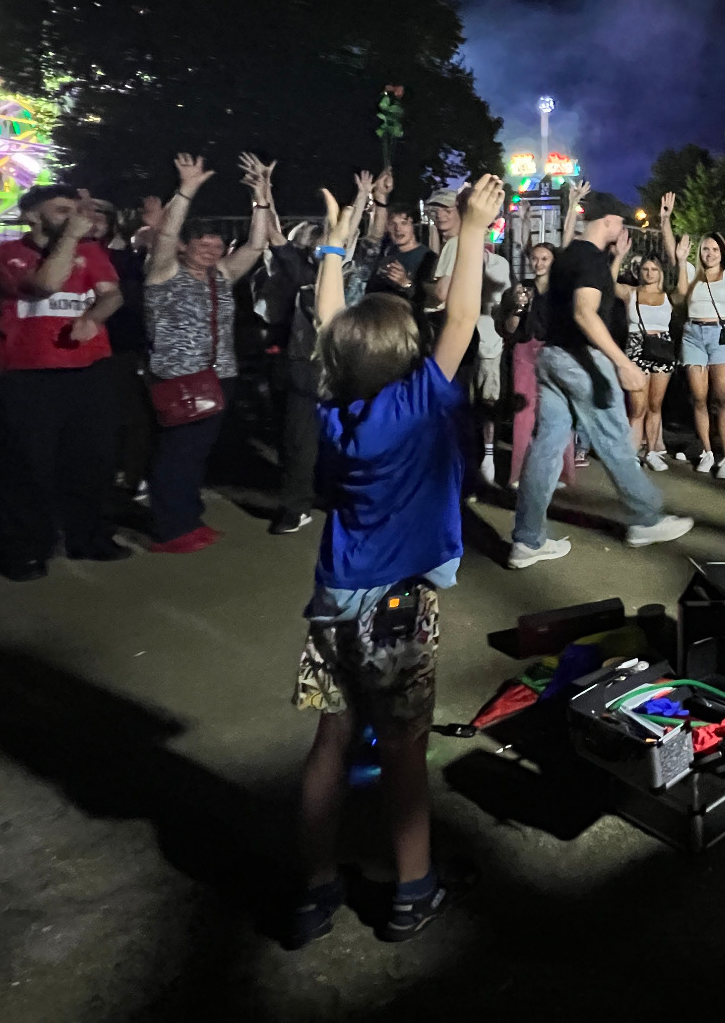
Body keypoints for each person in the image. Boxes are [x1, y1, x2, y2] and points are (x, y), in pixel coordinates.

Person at [288, 172, 498, 948]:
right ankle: (414, 888)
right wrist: (472, 229)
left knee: (332, 741)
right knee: (405, 752)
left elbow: (328, 327)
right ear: (407, 355)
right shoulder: (418, 404)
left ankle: (314, 890)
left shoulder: (336, 411)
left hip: (335, 600)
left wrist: (335, 245)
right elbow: (464, 316)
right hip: (399, 606)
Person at [510, 189, 693, 559]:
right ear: (608, 222)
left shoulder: (566, 257)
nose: (622, 228)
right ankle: (647, 519)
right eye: (619, 222)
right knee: (614, 439)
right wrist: (623, 363)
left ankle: (527, 539)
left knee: (546, 448)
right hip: (582, 360)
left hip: (552, 356)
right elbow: (584, 313)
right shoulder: (591, 260)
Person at [0, 185, 126, 579]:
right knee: (30, 465)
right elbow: (47, 284)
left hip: (88, 369)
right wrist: (71, 237)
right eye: (62, 209)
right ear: (32, 215)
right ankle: (27, 548)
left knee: (93, 459)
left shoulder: (91, 251)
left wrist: (93, 317)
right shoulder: (8, 254)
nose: (74, 216)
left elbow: (112, 295)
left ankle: (89, 537)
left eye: (75, 209)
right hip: (29, 373)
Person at [140, 152, 272, 553]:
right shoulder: (164, 272)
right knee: (176, 453)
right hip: (179, 378)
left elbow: (256, 244)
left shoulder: (222, 275)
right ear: (185, 246)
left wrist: (261, 198)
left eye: (217, 244)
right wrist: (186, 191)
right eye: (203, 243)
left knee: (197, 454)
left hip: (218, 377)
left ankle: (188, 517)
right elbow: (165, 236)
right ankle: (170, 528)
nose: (211, 250)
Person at [269, 172, 375, 535]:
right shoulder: (300, 272)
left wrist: (362, 198)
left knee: (348, 439)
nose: (323, 247)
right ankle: (295, 506)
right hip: (305, 366)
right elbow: (275, 238)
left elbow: (355, 232)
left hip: (345, 366)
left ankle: (346, 498)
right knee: (299, 441)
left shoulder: (352, 271)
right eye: (318, 244)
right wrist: (263, 195)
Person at [427, 192, 511, 484]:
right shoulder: (458, 246)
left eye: (446, 209)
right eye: (436, 211)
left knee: (459, 403)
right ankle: (476, 465)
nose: (440, 215)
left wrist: (417, 288)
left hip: (464, 336)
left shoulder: (456, 245)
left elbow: (442, 293)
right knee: (473, 404)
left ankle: (467, 468)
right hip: (477, 339)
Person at [668, 197, 725, 478]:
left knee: (724, 398)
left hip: (723, 334)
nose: (710, 253)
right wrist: (666, 224)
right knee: (699, 399)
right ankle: (707, 450)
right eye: (705, 249)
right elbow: (679, 286)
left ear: (722, 252)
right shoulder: (692, 274)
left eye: (715, 249)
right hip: (693, 335)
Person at [500, 240, 574, 493]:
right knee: (523, 414)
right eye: (534, 258)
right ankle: (518, 473)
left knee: (556, 412)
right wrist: (520, 307)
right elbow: (510, 328)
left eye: (544, 259)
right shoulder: (523, 288)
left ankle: (562, 472)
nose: (538, 263)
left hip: (553, 352)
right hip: (524, 350)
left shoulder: (561, 291)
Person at [621, 252, 677, 469]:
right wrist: (618, 256)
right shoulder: (631, 292)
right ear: (639, 271)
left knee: (655, 405)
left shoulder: (668, 296)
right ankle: (632, 454)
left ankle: (652, 451)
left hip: (662, 349)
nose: (650, 273)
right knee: (638, 407)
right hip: (637, 348)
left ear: (661, 272)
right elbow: (609, 282)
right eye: (645, 269)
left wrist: (681, 261)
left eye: (654, 269)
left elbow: (683, 291)